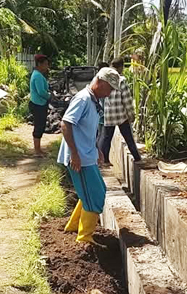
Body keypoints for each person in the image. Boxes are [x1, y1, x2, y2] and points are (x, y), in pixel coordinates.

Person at [58, 68, 117, 243]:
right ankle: (84, 237)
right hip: (80, 159)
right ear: (100, 82)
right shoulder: (83, 99)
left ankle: (74, 226)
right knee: (96, 196)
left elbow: (86, 129)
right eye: (110, 88)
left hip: (87, 154)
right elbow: (66, 123)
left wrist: (96, 148)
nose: (110, 93)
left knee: (97, 191)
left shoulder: (93, 100)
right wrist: (74, 154)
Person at [98, 57, 142, 165]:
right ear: (121, 67)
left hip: (109, 113)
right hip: (121, 115)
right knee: (128, 137)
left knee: (106, 138)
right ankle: (137, 158)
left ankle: (104, 160)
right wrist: (131, 114)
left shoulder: (104, 77)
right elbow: (127, 99)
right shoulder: (121, 80)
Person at [29, 54, 52, 158]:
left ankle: (39, 149)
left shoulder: (38, 74)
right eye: (45, 64)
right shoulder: (37, 76)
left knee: (41, 125)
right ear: (39, 64)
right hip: (38, 104)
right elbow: (41, 91)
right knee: (38, 126)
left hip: (39, 103)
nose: (47, 66)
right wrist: (49, 96)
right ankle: (37, 151)